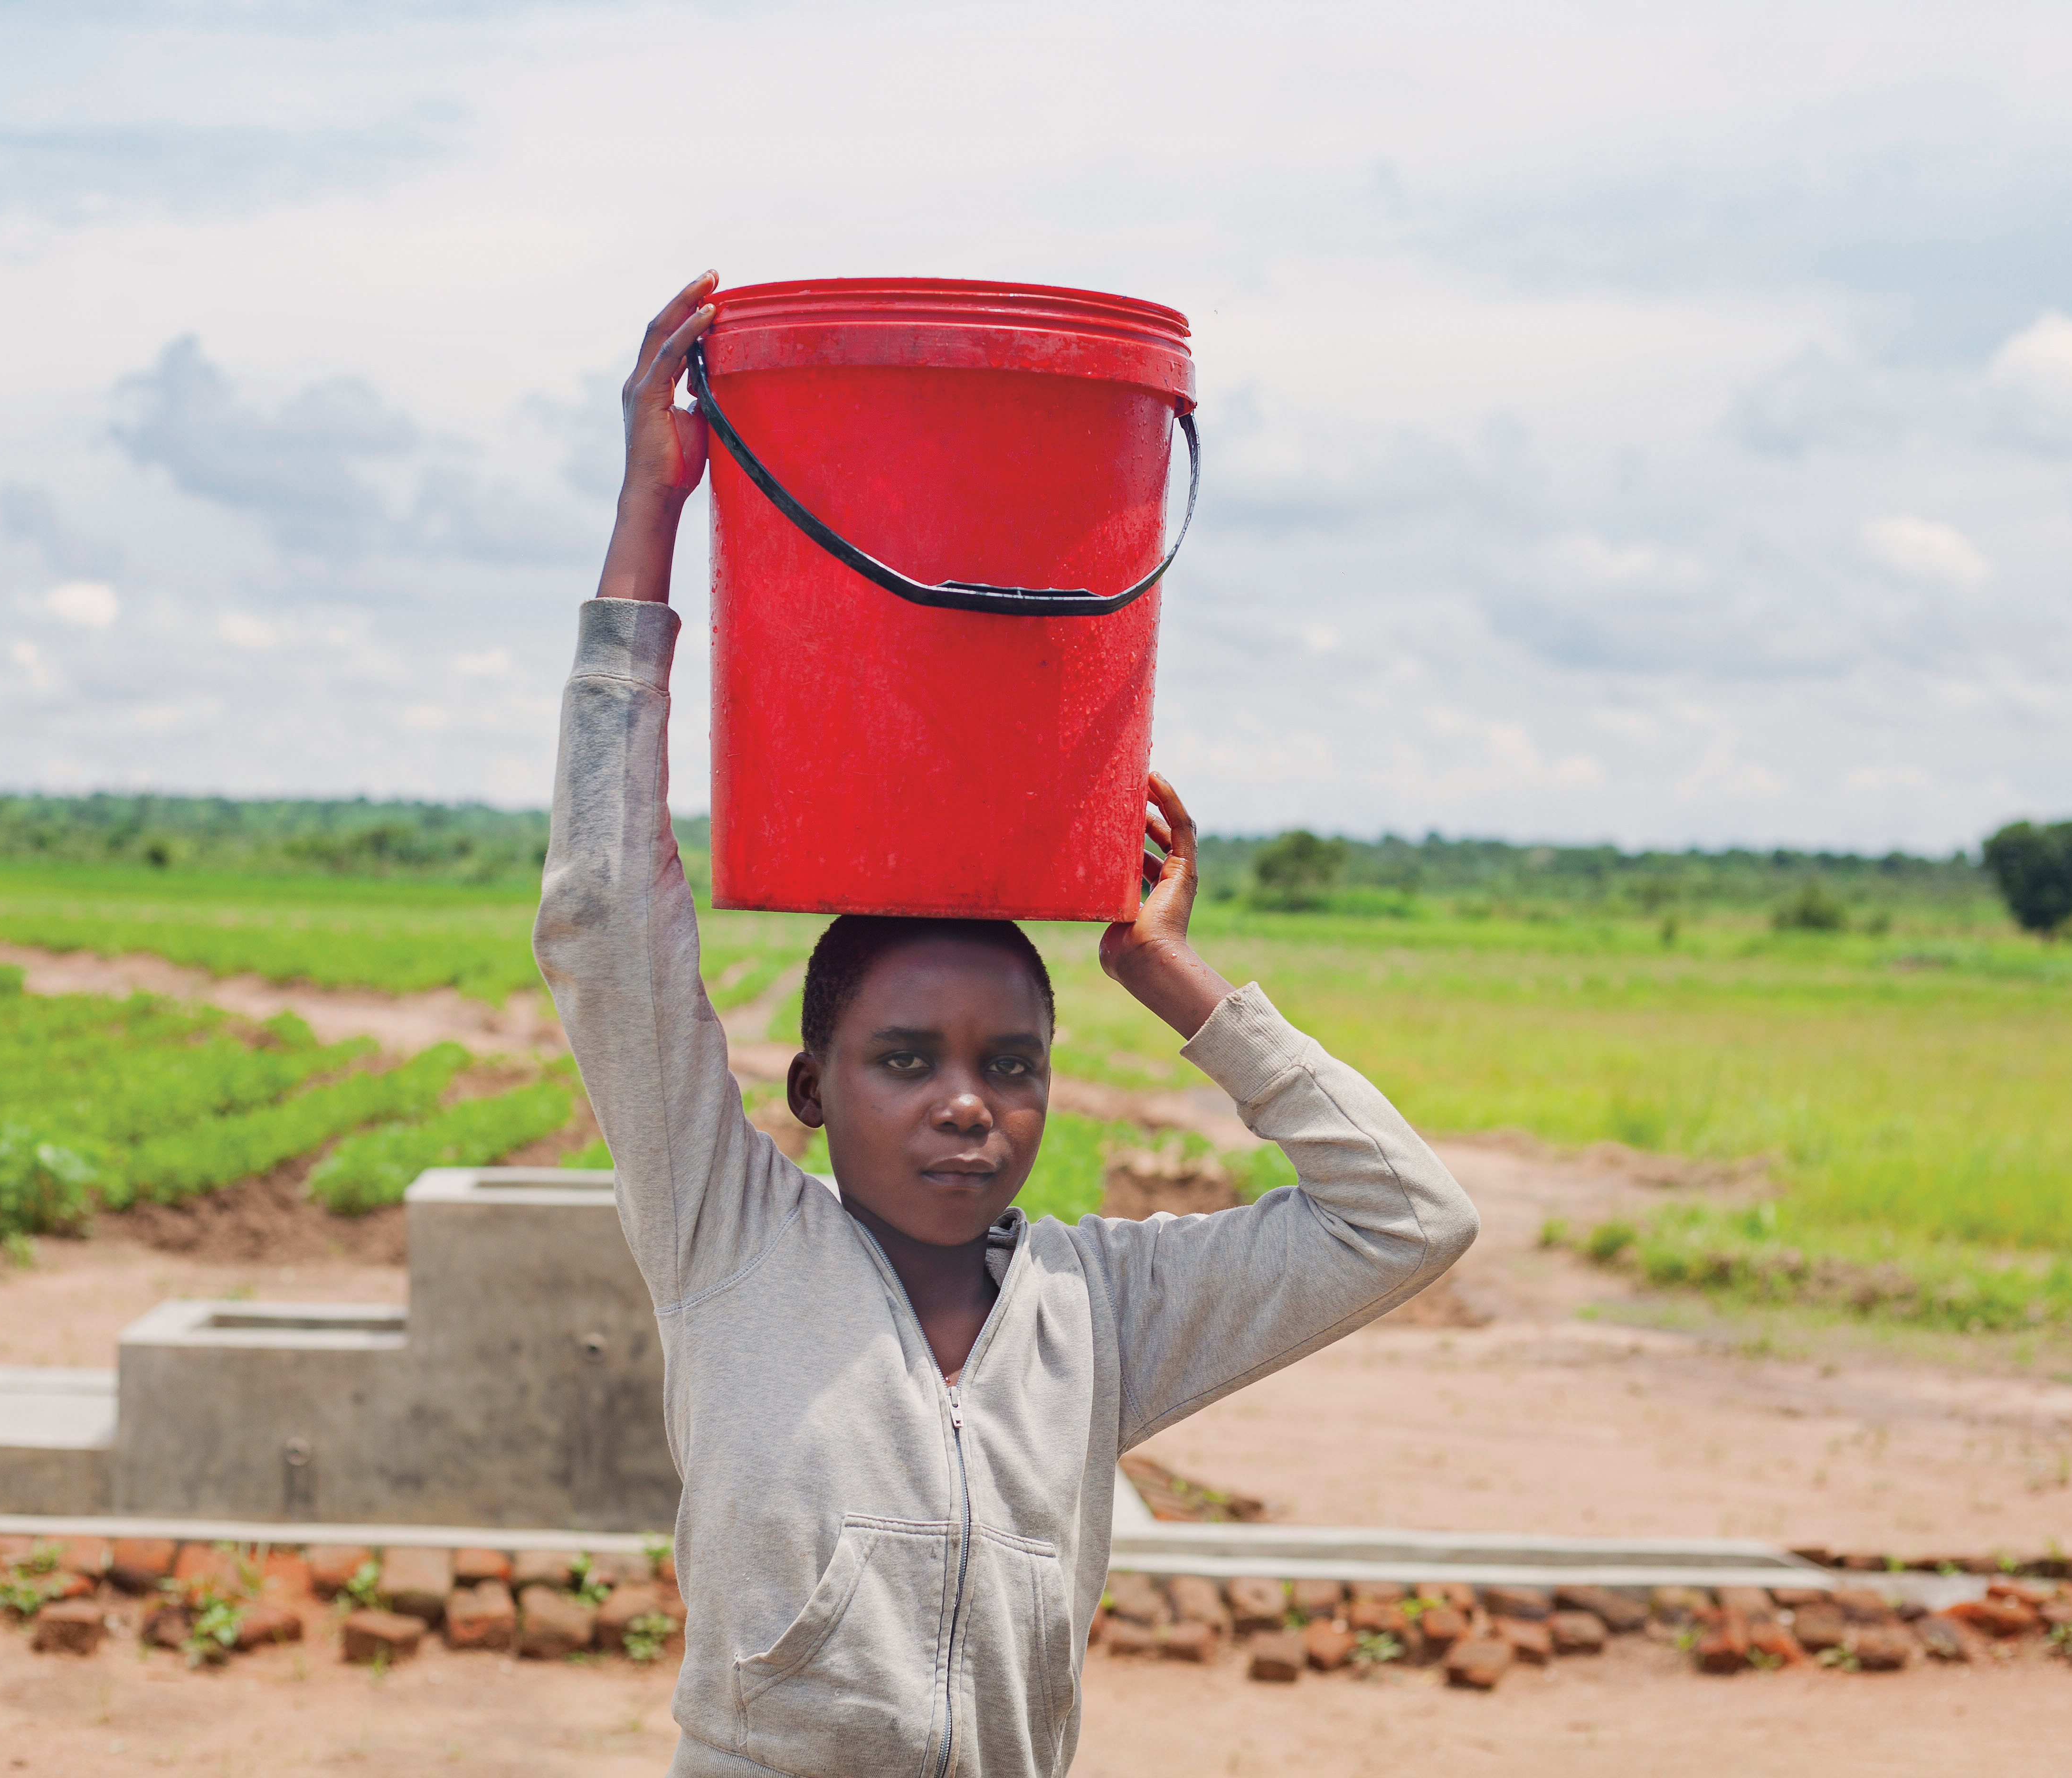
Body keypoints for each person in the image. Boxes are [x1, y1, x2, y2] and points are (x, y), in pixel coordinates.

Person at [533, 272, 1479, 1778]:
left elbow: (1410, 1218)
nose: (967, 1104)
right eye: (905, 1062)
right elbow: (601, 915)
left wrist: (1174, 980)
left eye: (1011, 1064)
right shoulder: (728, 1245)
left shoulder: (1100, 1316)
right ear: (812, 1089)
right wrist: (653, 509)